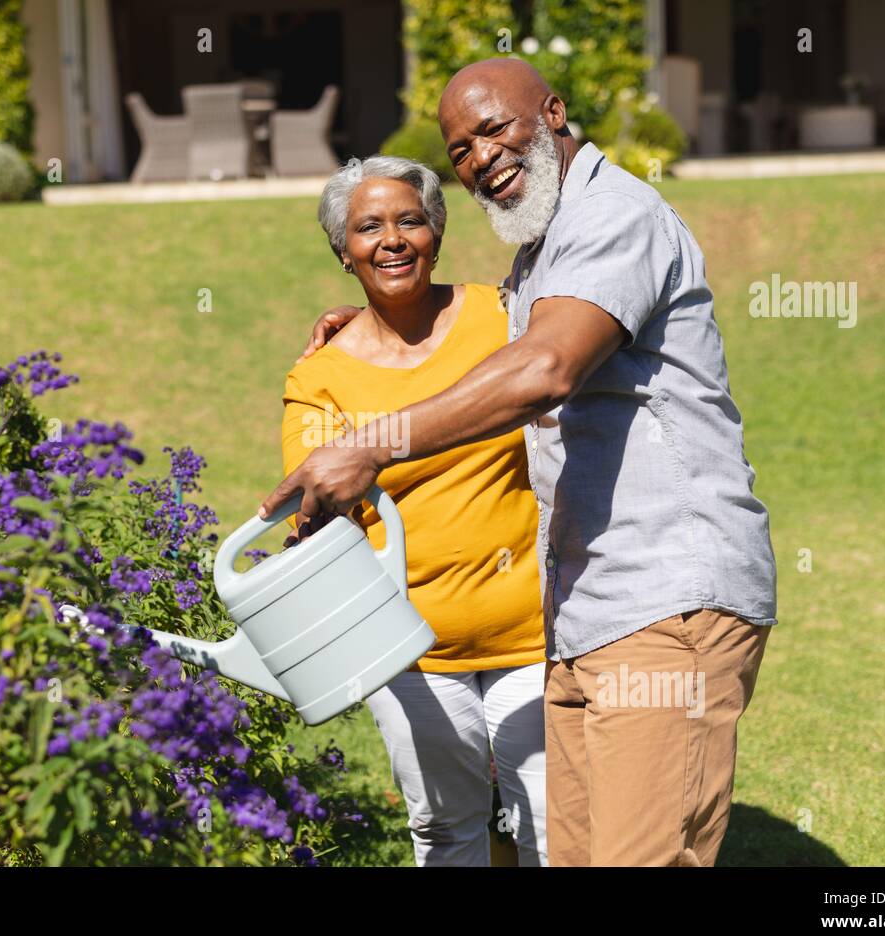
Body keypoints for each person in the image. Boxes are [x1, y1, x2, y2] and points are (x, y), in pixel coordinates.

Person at [266, 58, 778, 867]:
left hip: (664, 599)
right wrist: (373, 316)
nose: (480, 159)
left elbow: (545, 370)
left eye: (494, 129)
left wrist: (369, 441)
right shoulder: (544, 250)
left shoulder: (611, 215)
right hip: (587, 615)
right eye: (460, 149)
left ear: (553, 112)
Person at [281, 155, 547, 866]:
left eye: (410, 221)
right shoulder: (320, 376)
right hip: (411, 653)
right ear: (345, 252)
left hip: (538, 635)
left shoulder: (506, 313)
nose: (392, 239)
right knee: (446, 832)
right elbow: (315, 513)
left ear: (436, 232)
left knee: (554, 827)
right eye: (369, 228)